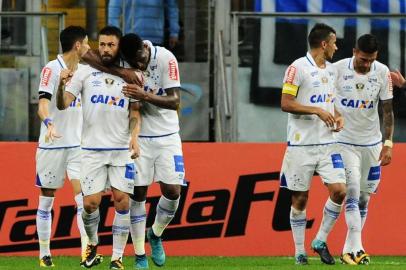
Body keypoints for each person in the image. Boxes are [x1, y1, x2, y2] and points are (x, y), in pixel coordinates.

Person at [82, 33, 185, 269]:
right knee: (137, 194)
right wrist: (123, 72)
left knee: (172, 191)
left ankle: (156, 234)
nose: (138, 64)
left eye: (140, 59)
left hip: (168, 135)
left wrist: (144, 94)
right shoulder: (127, 60)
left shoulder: (166, 58)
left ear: (145, 48)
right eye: (132, 61)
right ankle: (140, 254)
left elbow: (175, 101)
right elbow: (87, 54)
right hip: (137, 136)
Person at [56, 26, 141, 270]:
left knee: (122, 201)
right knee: (90, 204)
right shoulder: (83, 72)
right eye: (102, 44)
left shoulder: (131, 75)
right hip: (92, 150)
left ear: (118, 46)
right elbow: (64, 104)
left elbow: (135, 111)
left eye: (110, 45)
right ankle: (92, 242)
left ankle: (117, 258)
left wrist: (134, 137)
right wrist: (61, 86)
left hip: (120, 151)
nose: (105, 49)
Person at [279, 23, 346, 265]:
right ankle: (299, 252)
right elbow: (286, 103)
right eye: (335, 42)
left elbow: (330, 101)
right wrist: (316, 110)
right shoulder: (297, 68)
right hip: (301, 145)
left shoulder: (331, 70)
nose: (337, 47)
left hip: (328, 143)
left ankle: (319, 240)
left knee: (340, 191)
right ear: (324, 44)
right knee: (300, 200)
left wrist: (337, 114)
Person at [335, 34, 394, 265]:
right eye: (362, 60)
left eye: (371, 60)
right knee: (350, 190)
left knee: (363, 198)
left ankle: (348, 251)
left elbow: (387, 111)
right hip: (344, 141)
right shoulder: (338, 70)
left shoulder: (382, 72)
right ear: (353, 51)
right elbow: (325, 98)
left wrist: (388, 144)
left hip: (372, 143)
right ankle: (358, 248)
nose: (366, 65)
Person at [35, 25, 90, 267]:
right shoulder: (51, 68)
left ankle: (86, 252)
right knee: (47, 198)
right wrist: (49, 123)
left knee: (83, 199)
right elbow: (42, 104)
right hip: (52, 145)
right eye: (87, 42)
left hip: (78, 146)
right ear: (78, 45)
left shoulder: (87, 71)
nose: (90, 47)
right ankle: (44, 253)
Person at [107, 0, 180, 48]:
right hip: (133, 40)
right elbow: (113, 11)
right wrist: (115, 36)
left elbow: (172, 8)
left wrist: (174, 32)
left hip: (155, 40)